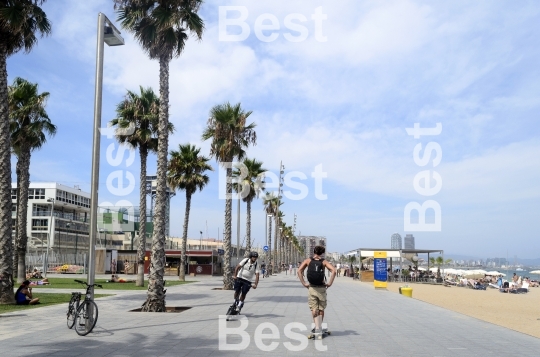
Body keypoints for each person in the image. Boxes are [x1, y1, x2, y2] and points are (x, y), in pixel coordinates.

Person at [297, 245, 336, 337]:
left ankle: (317, 327)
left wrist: (304, 283)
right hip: (321, 288)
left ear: (313, 252)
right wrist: (329, 283)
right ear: (322, 253)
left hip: (312, 287)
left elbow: (299, 271)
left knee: (314, 308)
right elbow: (333, 271)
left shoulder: (308, 260)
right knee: (321, 308)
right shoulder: (324, 262)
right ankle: (318, 327)